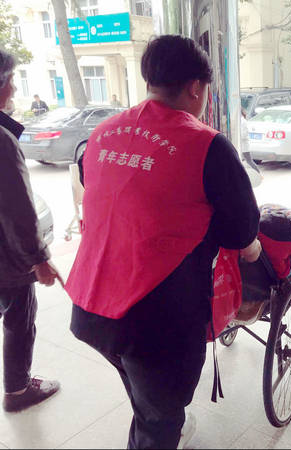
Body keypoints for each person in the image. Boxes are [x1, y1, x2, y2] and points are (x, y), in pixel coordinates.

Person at [65, 35, 261, 449]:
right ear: (196, 88)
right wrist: (252, 247)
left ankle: (158, 417)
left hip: (90, 307)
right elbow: (240, 230)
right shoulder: (207, 144)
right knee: (158, 420)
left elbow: (97, 185)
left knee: (147, 396)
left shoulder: (102, 134)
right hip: (155, 319)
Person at [0, 49, 61, 413]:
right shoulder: (2, 141)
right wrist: (39, 259)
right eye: (10, 80)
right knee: (19, 318)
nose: (12, 89)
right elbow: (19, 210)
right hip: (6, 260)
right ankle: (18, 390)